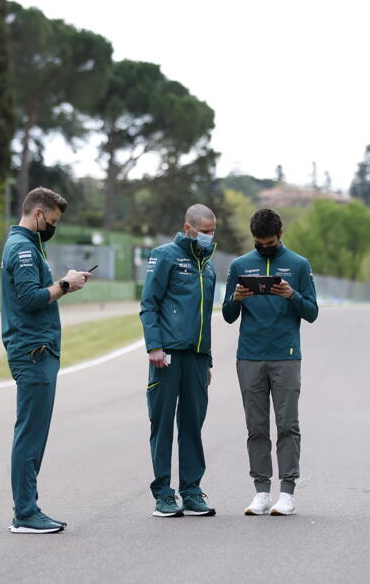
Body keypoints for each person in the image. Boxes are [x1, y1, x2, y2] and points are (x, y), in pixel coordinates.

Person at [1, 187, 93, 534]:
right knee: (30, 433)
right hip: (32, 350)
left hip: (38, 348)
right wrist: (65, 285)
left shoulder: (28, 245)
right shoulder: (23, 247)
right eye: (51, 221)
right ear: (38, 214)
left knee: (34, 432)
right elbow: (29, 299)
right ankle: (24, 512)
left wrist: (64, 283)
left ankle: (28, 508)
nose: (52, 227)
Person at [222, 208, 318, 516]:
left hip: (286, 356)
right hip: (249, 356)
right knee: (256, 427)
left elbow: (312, 312)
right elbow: (227, 315)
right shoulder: (239, 265)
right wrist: (235, 299)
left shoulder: (299, 265)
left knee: (287, 424)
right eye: (258, 243)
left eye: (269, 242)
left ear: (280, 235)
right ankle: (261, 492)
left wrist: (291, 295)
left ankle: (287, 493)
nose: (264, 247)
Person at [139, 204, 218, 518]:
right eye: (205, 231)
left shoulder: (208, 267)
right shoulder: (165, 255)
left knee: (192, 425)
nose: (210, 236)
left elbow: (205, 318)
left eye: (213, 231)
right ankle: (163, 494)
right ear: (188, 228)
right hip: (166, 357)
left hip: (197, 358)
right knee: (162, 424)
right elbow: (149, 303)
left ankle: (192, 491)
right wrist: (154, 345)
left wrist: (208, 359)